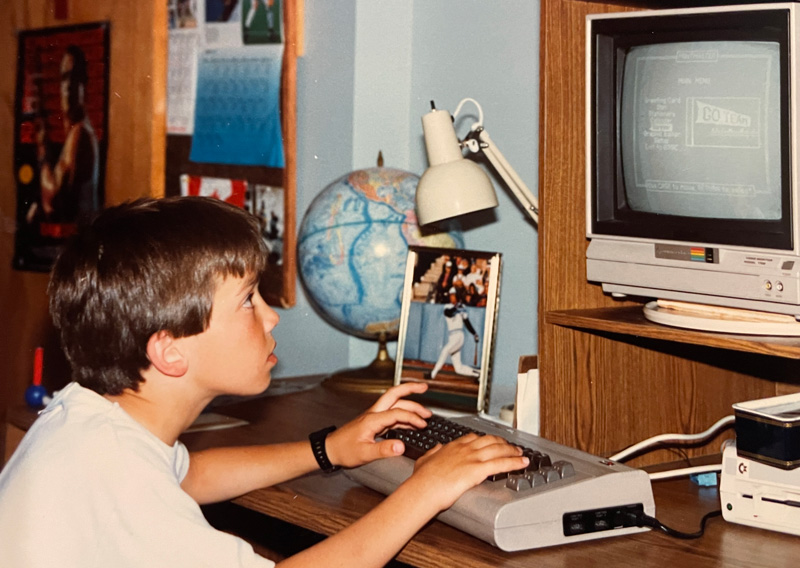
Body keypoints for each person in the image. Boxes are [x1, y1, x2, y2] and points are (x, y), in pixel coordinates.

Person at [0, 196, 527, 568]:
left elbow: (191, 476)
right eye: (248, 301)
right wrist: (424, 490)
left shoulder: (92, 421)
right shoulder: (117, 476)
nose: (271, 317)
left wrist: (329, 450)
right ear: (170, 351)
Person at [28, 44, 100, 225]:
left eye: (74, 78)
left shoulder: (80, 132)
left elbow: (52, 201)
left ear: (84, 84)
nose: (69, 87)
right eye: (65, 79)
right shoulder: (76, 133)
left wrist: (42, 147)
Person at [428, 287, 481, 380]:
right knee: (458, 368)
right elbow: (449, 313)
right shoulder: (447, 307)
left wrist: (474, 333)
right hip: (452, 337)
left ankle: (433, 374)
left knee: (445, 351)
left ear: (457, 296)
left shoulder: (462, 308)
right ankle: (479, 374)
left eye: (453, 295)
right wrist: (457, 306)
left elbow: (467, 322)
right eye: (450, 295)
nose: (451, 297)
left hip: (459, 335)